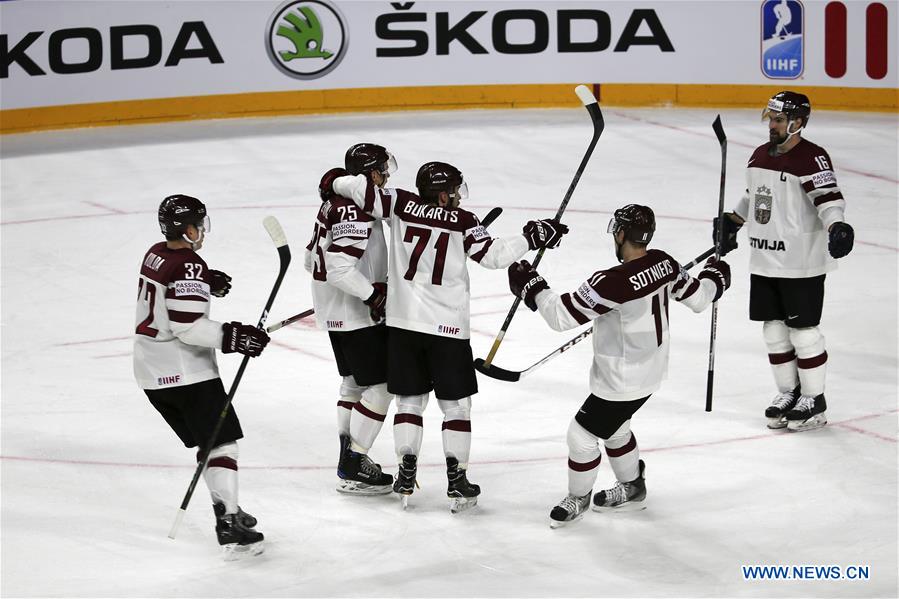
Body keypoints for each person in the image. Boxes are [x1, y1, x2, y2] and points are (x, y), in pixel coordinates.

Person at [330, 158, 568, 512]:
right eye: (454, 191)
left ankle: (406, 468)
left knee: (410, 401)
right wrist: (532, 236)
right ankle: (457, 479)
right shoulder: (465, 221)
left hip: (404, 325)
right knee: (456, 406)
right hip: (448, 330)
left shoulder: (398, 202)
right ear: (442, 196)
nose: (458, 196)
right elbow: (495, 256)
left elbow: (360, 191)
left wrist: (334, 181)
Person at [507, 204, 731, 528]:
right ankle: (632, 487)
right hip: (651, 373)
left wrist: (532, 286)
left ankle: (578, 498)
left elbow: (560, 316)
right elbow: (699, 298)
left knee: (581, 436)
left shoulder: (611, 282)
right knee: (614, 428)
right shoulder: (664, 263)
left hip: (621, 382)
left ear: (622, 233)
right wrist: (715, 276)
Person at [133, 195, 270, 556]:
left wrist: (206, 280)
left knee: (209, 444)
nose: (202, 231)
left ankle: (227, 510)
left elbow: (171, 286)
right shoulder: (189, 265)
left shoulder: (156, 252)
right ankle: (229, 520)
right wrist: (235, 337)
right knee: (222, 444)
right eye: (199, 224)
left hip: (151, 372)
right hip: (186, 373)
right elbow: (188, 327)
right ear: (187, 228)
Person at [714, 91, 854, 432]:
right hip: (765, 259)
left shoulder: (812, 158)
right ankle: (788, 393)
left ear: (798, 123)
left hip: (800, 262)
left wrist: (837, 225)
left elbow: (829, 199)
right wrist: (733, 221)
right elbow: (754, 196)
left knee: (803, 334)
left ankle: (814, 398)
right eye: (771, 119)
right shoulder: (759, 155)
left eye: (778, 120)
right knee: (774, 331)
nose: (772, 125)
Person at [303, 144, 395, 495]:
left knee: (354, 383)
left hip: (337, 312)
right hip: (357, 313)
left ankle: (348, 455)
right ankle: (355, 463)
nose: (386, 177)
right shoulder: (355, 209)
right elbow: (340, 269)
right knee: (383, 385)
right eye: (383, 170)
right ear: (370, 173)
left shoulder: (333, 203)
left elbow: (312, 260)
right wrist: (372, 294)